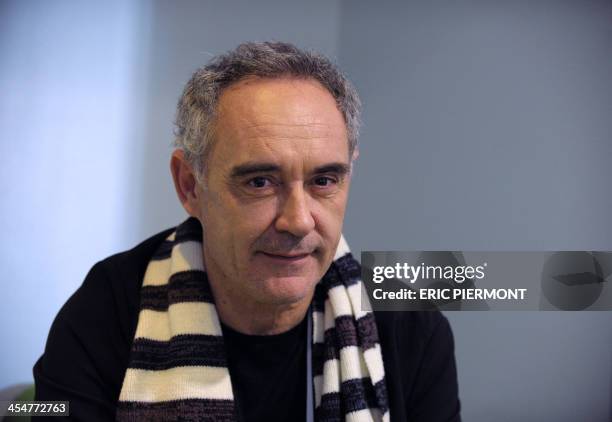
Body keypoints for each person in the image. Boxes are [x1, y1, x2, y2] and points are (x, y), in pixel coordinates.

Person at [33, 41, 460, 422]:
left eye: (324, 181)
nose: (298, 220)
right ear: (189, 186)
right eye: (260, 182)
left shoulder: (409, 324)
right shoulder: (106, 309)